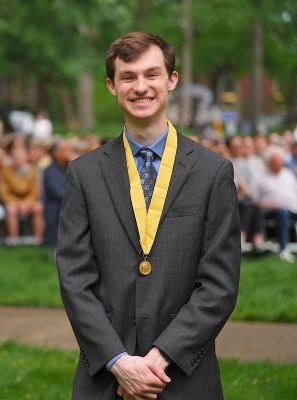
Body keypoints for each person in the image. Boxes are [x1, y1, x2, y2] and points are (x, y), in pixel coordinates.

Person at [56, 32, 241, 400]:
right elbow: (75, 279)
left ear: (172, 80)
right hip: (105, 380)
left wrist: (159, 359)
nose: (141, 87)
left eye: (151, 74)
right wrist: (119, 361)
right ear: (112, 86)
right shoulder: (84, 174)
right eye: (128, 77)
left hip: (184, 377)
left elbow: (219, 284)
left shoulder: (213, 172)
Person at [251, 146, 297, 262]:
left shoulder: (288, 174)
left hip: (292, 209)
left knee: (284, 211)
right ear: (269, 163)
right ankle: (283, 249)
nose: (278, 166)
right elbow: (255, 201)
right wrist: (271, 206)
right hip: (269, 211)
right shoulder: (260, 176)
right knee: (282, 212)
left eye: (280, 163)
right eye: (275, 163)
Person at [0, 146, 44, 244]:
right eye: (15, 157)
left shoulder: (32, 171)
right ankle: (13, 239)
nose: (17, 160)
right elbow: (4, 192)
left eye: (20, 157)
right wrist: (18, 203)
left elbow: (35, 191)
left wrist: (27, 203)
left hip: (29, 201)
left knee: (38, 208)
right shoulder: (5, 171)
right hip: (13, 201)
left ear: (26, 157)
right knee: (11, 209)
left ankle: (38, 239)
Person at [43, 140, 72, 248]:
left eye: (68, 150)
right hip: (56, 206)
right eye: (63, 150)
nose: (66, 153)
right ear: (55, 153)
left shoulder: (72, 168)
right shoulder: (49, 171)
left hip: (71, 204)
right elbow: (56, 191)